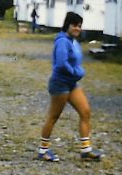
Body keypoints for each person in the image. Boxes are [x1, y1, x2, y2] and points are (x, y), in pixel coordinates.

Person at [37, 11, 102, 162]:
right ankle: (43, 150)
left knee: (85, 112)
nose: (77, 28)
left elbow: (75, 61)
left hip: (72, 84)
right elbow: (61, 64)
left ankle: (86, 150)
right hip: (60, 84)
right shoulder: (62, 42)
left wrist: (77, 72)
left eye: (79, 26)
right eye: (74, 25)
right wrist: (75, 72)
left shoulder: (73, 41)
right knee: (54, 116)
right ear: (67, 25)